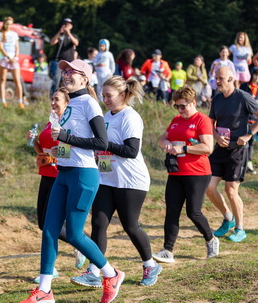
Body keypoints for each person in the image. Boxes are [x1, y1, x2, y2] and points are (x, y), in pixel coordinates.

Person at [20, 59, 124, 303]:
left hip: (83, 174)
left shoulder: (89, 103)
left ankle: (111, 274)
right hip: (63, 173)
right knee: (49, 230)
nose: (66, 74)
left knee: (75, 235)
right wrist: (58, 150)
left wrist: (66, 138)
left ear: (85, 79)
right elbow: (72, 143)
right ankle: (45, 290)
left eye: (72, 72)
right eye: (65, 71)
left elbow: (101, 142)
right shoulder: (69, 105)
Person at [72, 76, 160, 288]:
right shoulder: (106, 116)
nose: (105, 100)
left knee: (130, 226)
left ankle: (150, 265)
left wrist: (104, 145)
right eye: (103, 96)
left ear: (123, 95)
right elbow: (102, 145)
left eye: (109, 96)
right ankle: (94, 271)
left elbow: (131, 151)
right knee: (98, 223)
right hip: (107, 179)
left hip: (131, 181)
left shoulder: (130, 117)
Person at [153, 85, 218, 265]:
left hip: (197, 173)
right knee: (172, 211)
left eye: (183, 106)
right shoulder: (176, 120)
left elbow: (208, 147)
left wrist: (184, 148)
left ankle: (211, 239)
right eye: (177, 106)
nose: (180, 110)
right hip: (176, 171)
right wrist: (166, 144)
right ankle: (167, 250)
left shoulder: (202, 120)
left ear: (193, 103)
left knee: (193, 212)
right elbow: (162, 138)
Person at [206, 67, 258, 243]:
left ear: (231, 79)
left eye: (221, 78)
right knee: (208, 187)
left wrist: (248, 135)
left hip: (238, 150)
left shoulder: (243, 97)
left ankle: (240, 229)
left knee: (231, 190)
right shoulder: (217, 98)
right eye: (216, 78)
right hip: (220, 149)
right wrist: (216, 137)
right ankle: (228, 218)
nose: (217, 81)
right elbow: (210, 123)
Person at [29, 88, 85, 282]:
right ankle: (78, 243)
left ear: (67, 103)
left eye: (57, 99)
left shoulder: (69, 123)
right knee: (42, 223)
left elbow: (70, 151)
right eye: (52, 98)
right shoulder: (51, 120)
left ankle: (53, 266)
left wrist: (55, 154)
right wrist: (33, 141)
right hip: (45, 174)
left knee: (50, 225)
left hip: (59, 176)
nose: (53, 102)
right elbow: (43, 151)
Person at [240, 67, 258, 174]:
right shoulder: (245, 86)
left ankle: (248, 163)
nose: (257, 77)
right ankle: (242, 164)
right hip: (244, 118)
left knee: (251, 142)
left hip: (255, 119)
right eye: (255, 74)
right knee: (243, 142)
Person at [0, 16, 25, 108]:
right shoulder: (0, 34)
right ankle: (3, 101)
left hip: (14, 59)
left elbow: (17, 47)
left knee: (17, 80)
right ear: (4, 24)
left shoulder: (14, 34)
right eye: (7, 24)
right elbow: (1, 48)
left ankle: (20, 101)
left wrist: (15, 56)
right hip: (4, 58)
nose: (8, 26)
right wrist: (8, 57)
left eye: (10, 24)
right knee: (3, 80)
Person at [50, 18, 79, 93]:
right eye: (65, 24)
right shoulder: (60, 36)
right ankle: (53, 95)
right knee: (56, 79)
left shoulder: (73, 36)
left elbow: (76, 43)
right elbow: (52, 42)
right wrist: (60, 32)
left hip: (69, 62)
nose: (66, 25)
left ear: (71, 26)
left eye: (68, 24)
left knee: (66, 80)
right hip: (59, 61)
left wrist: (68, 33)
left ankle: (65, 95)